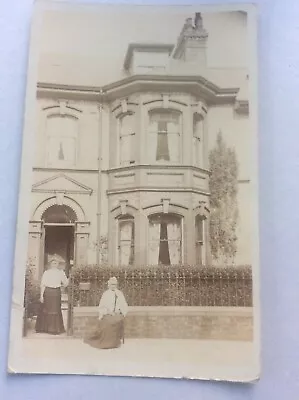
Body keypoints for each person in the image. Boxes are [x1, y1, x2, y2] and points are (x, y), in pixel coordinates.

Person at [84, 276, 128, 349]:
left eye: (114, 284)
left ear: (116, 285)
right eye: (111, 284)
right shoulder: (106, 294)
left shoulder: (120, 294)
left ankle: (114, 342)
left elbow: (124, 306)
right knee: (107, 322)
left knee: (116, 321)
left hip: (117, 314)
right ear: (109, 285)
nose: (113, 286)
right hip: (107, 313)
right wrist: (109, 312)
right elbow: (102, 307)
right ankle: (106, 342)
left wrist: (119, 312)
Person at [35, 254, 68, 335]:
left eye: (56, 263)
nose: (54, 264)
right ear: (50, 264)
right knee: (46, 310)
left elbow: (66, 283)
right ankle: (45, 328)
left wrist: (63, 285)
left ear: (58, 264)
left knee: (55, 310)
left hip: (56, 293)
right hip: (48, 292)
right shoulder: (46, 272)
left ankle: (55, 329)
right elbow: (43, 285)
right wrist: (41, 296)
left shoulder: (61, 273)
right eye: (53, 263)